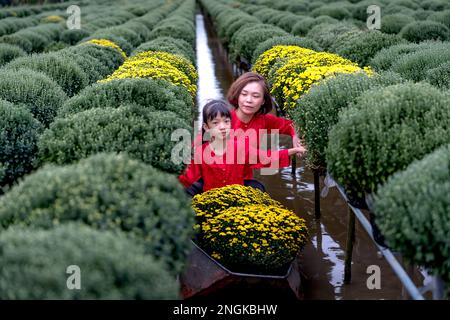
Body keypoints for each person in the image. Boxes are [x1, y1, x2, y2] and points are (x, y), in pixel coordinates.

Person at [179, 100, 305, 196]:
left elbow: (265, 157)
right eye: (216, 123)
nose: (222, 127)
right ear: (206, 127)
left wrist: (291, 151)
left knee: (258, 189)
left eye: (226, 121)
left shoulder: (239, 147)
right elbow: (187, 177)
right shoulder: (201, 152)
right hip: (211, 200)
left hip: (238, 198)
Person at [226, 71, 305, 180]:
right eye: (244, 94)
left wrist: (295, 134)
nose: (248, 100)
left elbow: (290, 125)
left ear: (263, 101)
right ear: (237, 95)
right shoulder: (222, 121)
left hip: (244, 181)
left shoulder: (263, 121)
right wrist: (291, 151)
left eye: (255, 96)